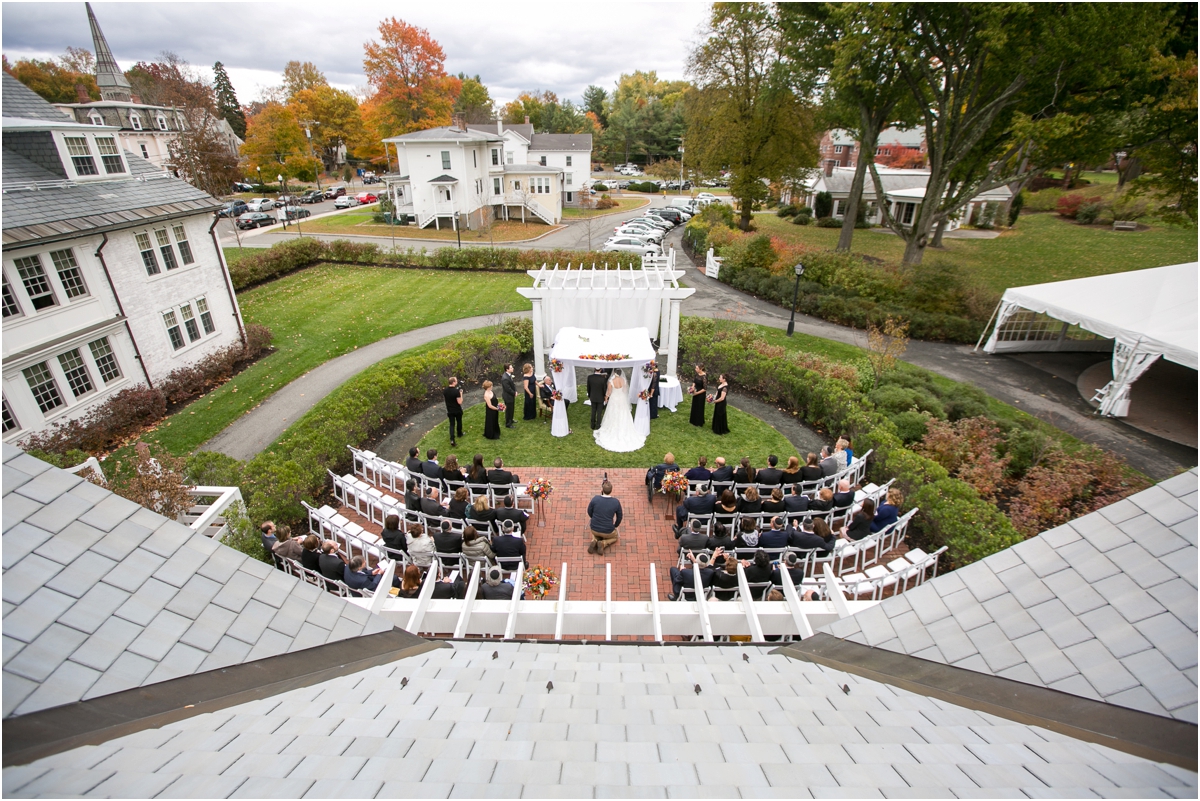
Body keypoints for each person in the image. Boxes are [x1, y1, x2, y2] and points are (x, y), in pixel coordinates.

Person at [594, 368, 644, 452]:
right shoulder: (623, 380)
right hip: (621, 398)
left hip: (614, 399)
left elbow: (608, 392)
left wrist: (606, 398)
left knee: (613, 413)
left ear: (614, 373)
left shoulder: (611, 381)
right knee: (623, 413)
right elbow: (625, 390)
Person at [587, 480, 623, 555]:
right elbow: (620, 516)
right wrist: (615, 525)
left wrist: (593, 517)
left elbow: (589, 511)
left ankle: (594, 540)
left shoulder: (595, 499)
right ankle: (603, 543)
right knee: (615, 537)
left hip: (594, 528)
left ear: (602, 490)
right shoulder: (616, 502)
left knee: (596, 534)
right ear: (611, 490)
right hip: (608, 531)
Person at [444, 377, 464, 446]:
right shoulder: (456, 391)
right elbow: (460, 402)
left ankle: (452, 439)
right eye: (456, 381)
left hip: (450, 410)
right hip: (457, 410)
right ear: (453, 382)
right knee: (459, 421)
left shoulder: (445, 391)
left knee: (452, 424)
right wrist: (461, 393)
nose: (457, 382)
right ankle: (459, 433)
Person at [501, 364, 518, 428]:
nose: (512, 368)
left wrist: (515, 390)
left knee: (512, 408)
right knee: (508, 410)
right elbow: (508, 389)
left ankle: (511, 419)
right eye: (511, 368)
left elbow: (513, 384)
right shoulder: (505, 378)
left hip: (511, 395)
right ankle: (508, 423)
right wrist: (514, 393)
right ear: (507, 369)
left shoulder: (509, 375)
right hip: (508, 396)